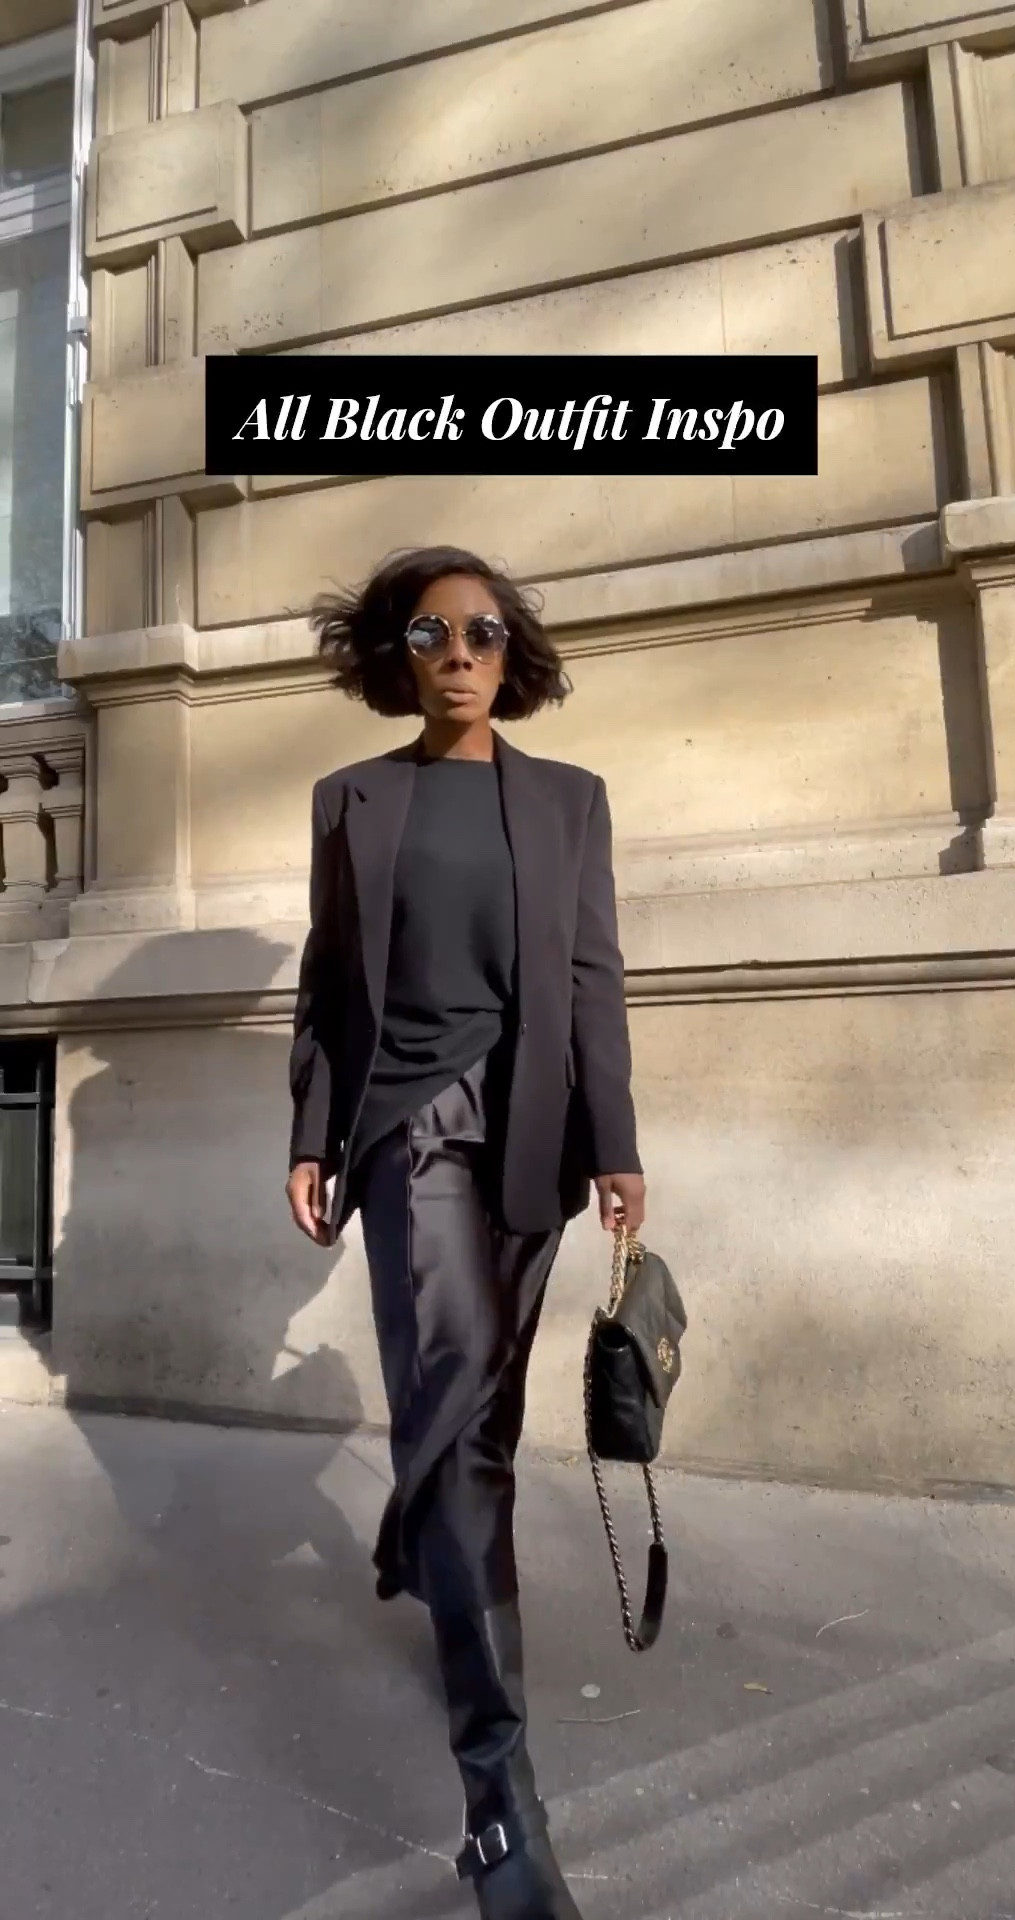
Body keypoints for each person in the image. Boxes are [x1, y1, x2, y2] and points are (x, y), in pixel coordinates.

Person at [285, 545, 645, 1919]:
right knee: (453, 1386)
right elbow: (324, 986)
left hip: (534, 1142)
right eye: (430, 631)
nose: (457, 652)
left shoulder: (568, 802)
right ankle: (501, 1802)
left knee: (477, 1411)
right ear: (398, 652)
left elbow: (592, 977)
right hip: (406, 1133)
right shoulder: (352, 800)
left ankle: (411, 1533)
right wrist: (313, 1133)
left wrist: (615, 1150)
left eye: (482, 631)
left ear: (513, 651)